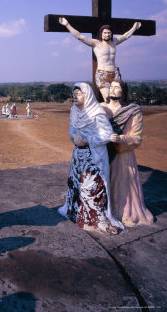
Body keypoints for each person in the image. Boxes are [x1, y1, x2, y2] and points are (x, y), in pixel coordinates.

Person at [58, 83, 123, 234]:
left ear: (87, 96)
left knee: (93, 188)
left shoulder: (97, 112)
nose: (75, 96)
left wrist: (88, 140)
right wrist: (73, 136)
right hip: (78, 156)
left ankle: (97, 219)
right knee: (76, 185)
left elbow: (108, 135)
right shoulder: (74, 110)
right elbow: (72, 128)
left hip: (94, 157)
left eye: (79, 94)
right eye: (74, 94)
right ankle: (76, 214)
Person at [102, 81, 154, 227]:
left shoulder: (133, 111)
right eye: (111, 87)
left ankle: (123, 212)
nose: (113, 89)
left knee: (122, 184)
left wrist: (120, 139)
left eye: (117, 87)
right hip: (103, 153)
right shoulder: (101, 109)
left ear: (123, 92)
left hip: (122, 156)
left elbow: (136, 138)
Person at [59, 17, 141, 102]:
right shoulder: (96, 43)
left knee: (118, 101)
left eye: (109, 33)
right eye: (105, 33)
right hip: (103, 74)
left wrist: (134, 28)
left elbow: (125, 36)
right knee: (108, 100)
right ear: (101, 33)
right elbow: (80, 36)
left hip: (115, 74)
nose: (107, 35)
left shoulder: (114, 42)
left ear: (111, 34)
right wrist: (67, 25)